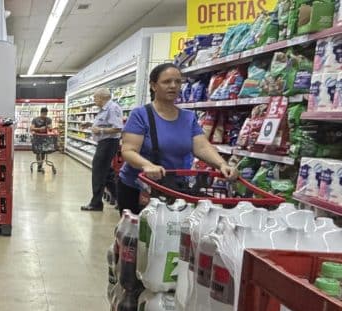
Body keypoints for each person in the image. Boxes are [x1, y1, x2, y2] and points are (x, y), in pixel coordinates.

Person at [118, 62, 237, 214]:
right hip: (139, 188)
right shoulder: (140, 115)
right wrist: (146, 165)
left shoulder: (188, 117)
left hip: (175, 188)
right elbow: (128, 150)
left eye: (177, 81)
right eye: (167, 82)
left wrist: (222, 164)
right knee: (139, 235)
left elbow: (201, 146)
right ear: (154, 86)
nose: (173, 86)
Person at [81, 88, 124, 212]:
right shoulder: (104, 109)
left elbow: (118, 128)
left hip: (109, 143)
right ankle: (120, 200)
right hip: (104, 143)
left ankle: (96, 203)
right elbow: (105, 124)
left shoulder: (112, 108)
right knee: (107, 174)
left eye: (95, 98)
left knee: (98, 172)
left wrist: (100, 130)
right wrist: (90, 125)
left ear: (102, 97)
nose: (94, 100)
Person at [31, 107, 53, 173]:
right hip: (37, 137)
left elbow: (50, 128)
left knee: (43, 152)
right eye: (43, 113)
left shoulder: (48, 119)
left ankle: (40, 165)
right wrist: (39, 129)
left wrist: (50, 128)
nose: (45, 115)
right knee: (38, 152)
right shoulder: (35, 119)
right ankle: (39, 165)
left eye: (46, 114)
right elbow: (31, 128)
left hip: (45, 138)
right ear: (41, 113)